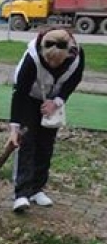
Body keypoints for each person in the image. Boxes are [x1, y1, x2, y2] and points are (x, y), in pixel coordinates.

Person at [8, 27, 84, 213]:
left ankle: (36, 190)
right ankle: (21, 194)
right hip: (29, 100)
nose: (52, 64)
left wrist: (56, 102)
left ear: (68, 52)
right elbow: (19, 94)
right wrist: (14, 129)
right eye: (49, 59)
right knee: (27, 144)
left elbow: (73, 81)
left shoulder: (77, 56)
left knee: (45, 145)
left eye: (57, 61)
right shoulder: (31, 59)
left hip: (51, 102)